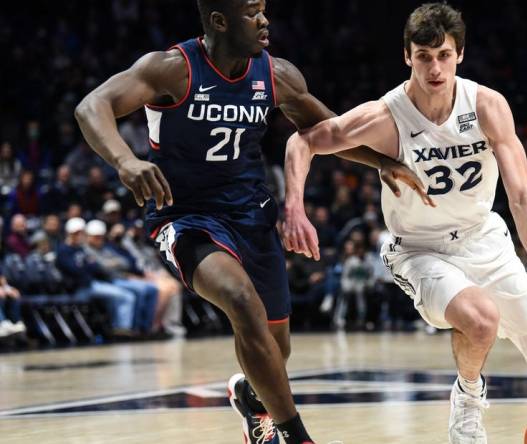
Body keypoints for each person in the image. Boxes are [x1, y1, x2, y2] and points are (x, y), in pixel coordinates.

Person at [282, 4, 527, 443]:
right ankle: (469, 397)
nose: (434, 67)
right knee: (480, 318)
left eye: (443, 55)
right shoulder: (386, 116)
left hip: (485, 241)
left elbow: (522, 197)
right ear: (407, 57)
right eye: (423, 56)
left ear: (459, 54)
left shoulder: (488, 106)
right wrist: (295, 206)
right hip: (420, 250)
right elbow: (302, 141)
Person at [74, 1, 428, 442]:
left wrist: (380, 163)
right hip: (186, 217)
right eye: (251, 12)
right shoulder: (172, 69)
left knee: (275, 351)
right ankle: (297, 437)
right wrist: (125, 161)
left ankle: (250, 397)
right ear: (220, 21)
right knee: (242, 301)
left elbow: (327, 130)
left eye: (264, 10)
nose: (264, 21)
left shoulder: (276, 74)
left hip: (252, 215)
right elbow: (92, 107)